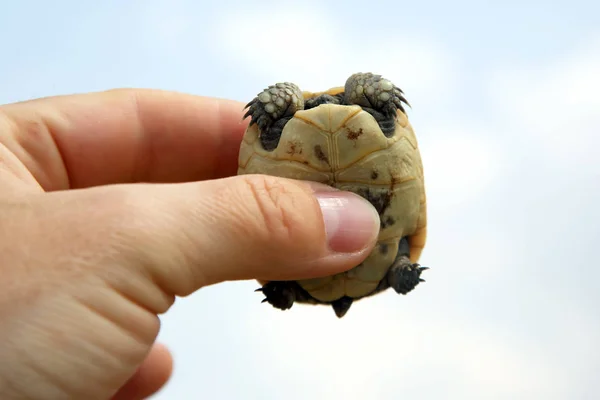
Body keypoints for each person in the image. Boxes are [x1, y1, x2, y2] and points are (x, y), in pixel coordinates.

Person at [0, 89, 381, 399]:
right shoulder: (357, 106)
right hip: (378, 256)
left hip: (315, 274)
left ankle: (289, 286)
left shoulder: (281, 122)